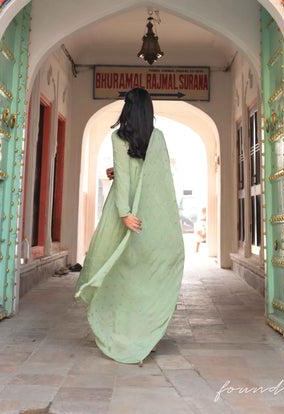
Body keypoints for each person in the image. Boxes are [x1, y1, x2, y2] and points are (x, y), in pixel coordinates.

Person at [74, 87, 185, 364]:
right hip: (149, 216)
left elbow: (126, 177)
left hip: (123, 216)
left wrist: (124, 213)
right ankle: (146, 335)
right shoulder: (157, 138)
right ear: (148, 111)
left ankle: (123, 333)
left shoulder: (118, 138)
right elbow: (158, 181)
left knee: (118, 274)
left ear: (128, 110)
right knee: (145, 277)